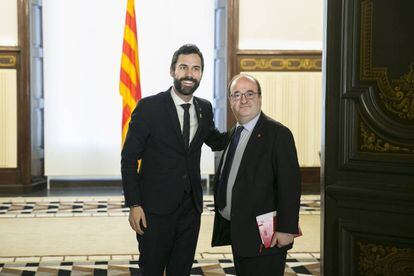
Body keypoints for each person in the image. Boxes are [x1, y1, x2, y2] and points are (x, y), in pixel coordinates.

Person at [121, 44, 227, 276]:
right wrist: (134, 205)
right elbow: (128, 159)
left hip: (191, 210)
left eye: (196, 68)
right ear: (172, 71)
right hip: (154, 211)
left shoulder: (204, 108)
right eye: (184, 67)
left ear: (201, 73)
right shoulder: (149, 107)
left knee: (181, 270)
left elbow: (216, 141)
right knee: (152, 269)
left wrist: (247, 125)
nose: (190, 74)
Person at [211, 74, 302, 276]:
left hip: (267, 237)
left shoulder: (278, 134)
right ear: (230, 101)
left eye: (249, 94)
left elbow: (290, 185)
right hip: (240, 233)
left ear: (260, 98)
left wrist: (287, 229)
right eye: (237, 95)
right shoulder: (235, 132)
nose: (243, 100)